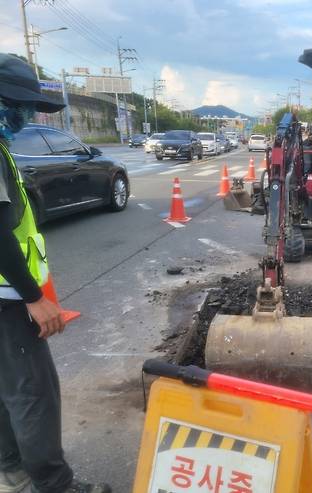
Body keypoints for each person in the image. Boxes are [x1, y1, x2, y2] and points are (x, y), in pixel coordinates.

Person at [0, 54, 111, 493]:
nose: (26, 116)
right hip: (7, 298)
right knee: (33, 394)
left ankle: (13, 469)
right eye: (19, 106)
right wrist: (33, 296)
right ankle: (55, 485)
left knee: (7, 388)